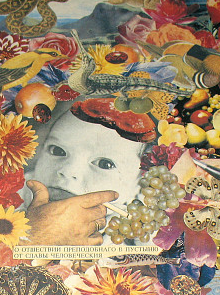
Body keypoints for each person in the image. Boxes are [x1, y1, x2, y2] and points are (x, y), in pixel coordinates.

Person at [21, 98, 154, 245]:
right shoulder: (12, 196)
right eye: (57, 150)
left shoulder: (140, 234)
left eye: (105, 164)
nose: (68, 171)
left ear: (138, 185)